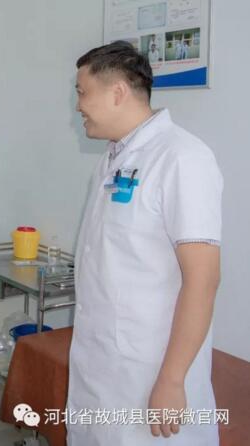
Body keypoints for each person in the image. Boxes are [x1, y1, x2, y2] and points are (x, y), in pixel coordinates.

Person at [69, 41, 222, 445]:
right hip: (103, 367)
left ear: (117, 92)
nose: (78, 106)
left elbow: (203, 280)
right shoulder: (112, 160)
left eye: (82, 92)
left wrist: (172, 379)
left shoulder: (182, 158)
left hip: (149, 372)